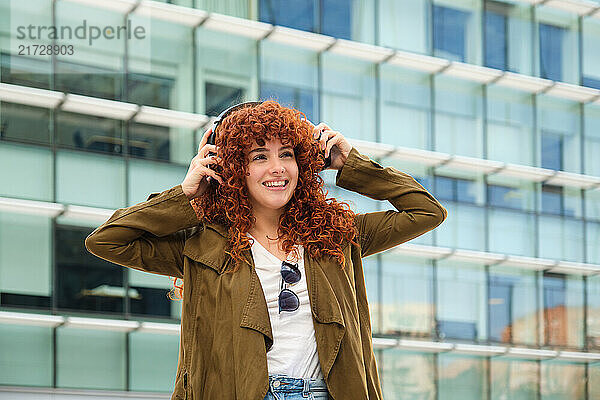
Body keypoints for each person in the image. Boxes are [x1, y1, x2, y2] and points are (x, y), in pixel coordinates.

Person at [85, 100, 447, 400]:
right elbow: (107, 239)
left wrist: (351, 164)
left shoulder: (338, 234)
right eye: (259, 156)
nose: (277, 168)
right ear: (231, 168)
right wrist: (187, 194)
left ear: (302, 163)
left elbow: (427, 212)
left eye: (286, 154)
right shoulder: (201, 245)